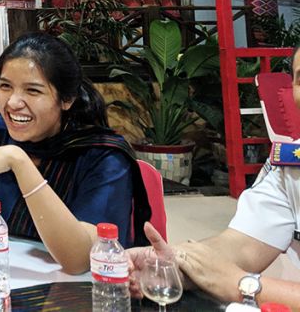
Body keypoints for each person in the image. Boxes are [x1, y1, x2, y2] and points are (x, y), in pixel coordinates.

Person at [0, 32, 150, 274]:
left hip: (83, 290)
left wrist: (18, 161)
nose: (13, 103)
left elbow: (80, 261)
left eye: (33, 91)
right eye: (5, 86)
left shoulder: (104, 157)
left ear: (67, 99)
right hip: (7, 278)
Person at [126, 43, 300, 308]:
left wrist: (241, 284)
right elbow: (243, 245)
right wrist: (174, 263)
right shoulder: (291, 167)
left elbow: (230, 279)